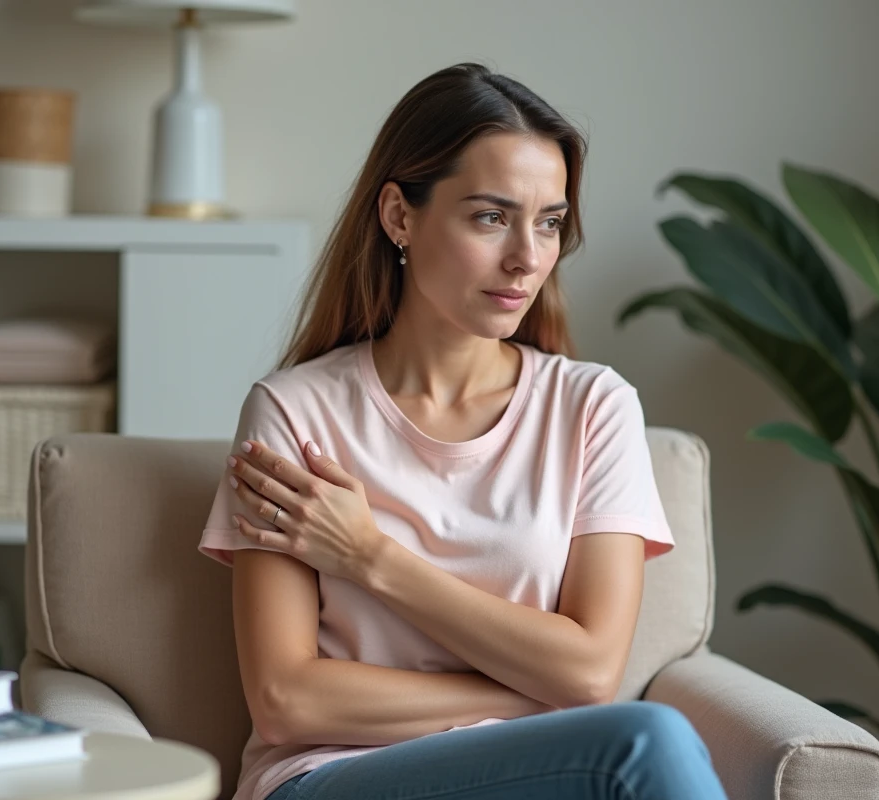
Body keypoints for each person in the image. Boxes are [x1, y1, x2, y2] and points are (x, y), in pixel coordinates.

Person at [199, 63, 728, 800]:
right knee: (648, 743)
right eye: (490, 217)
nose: (527, 257)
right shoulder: (294, 412)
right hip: (331, 778)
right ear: (399, 217)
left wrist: (370, 555)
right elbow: (288, 701)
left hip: (536, 775)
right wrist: (530, 693)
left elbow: (589, 671)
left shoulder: (593, 407)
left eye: (548, 222)